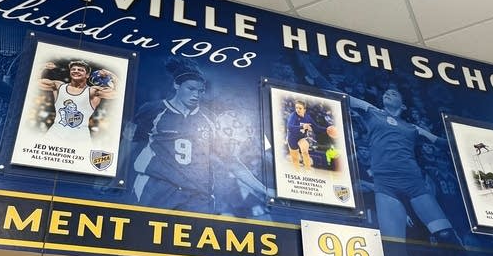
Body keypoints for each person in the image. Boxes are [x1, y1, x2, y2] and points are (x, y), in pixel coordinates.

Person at [351, 87, 464, 256]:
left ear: (403, 106)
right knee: (393, 254)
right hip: (386, 186)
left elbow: (442, 143)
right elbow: (340, 94)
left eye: (394, 93)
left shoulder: (413, 129)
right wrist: (306, 64)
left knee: (446, 235)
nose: (388, 93)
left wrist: (470, 140)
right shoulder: (372, 111)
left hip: (415, 186)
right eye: (385, 92)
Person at [133, 59, 266, 213]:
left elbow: (232, 163)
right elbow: (130, 143)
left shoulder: (209, 119)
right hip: (157, 188)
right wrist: (116, 180)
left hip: (197, 195)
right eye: (191, 89)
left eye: (200, 91)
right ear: (177, 85)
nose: (196, 95)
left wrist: (265, 190)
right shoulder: (153, 110)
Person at [39, 61, 117, 143]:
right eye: (73, 69)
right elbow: (33, 82)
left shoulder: (93, 91)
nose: (76, 71)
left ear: (87, 75)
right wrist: (43, 66)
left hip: (80, 138)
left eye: (80, 70)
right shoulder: (58, 86)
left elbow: (118, 94)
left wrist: (111, 75)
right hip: (54, 136)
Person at [286, 100, 330, 171]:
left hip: (301, 138)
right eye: (296, 108)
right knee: (295, 159)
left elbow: (316, 128)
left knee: (305, 151)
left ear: (304, 110)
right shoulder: (293, 116)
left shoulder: (308, 118)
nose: (297, 110)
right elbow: (289, 127)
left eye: (300, 108)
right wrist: (302, 127)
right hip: (292, 138)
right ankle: (297, 172)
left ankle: (308, 170)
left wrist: (327, 130)